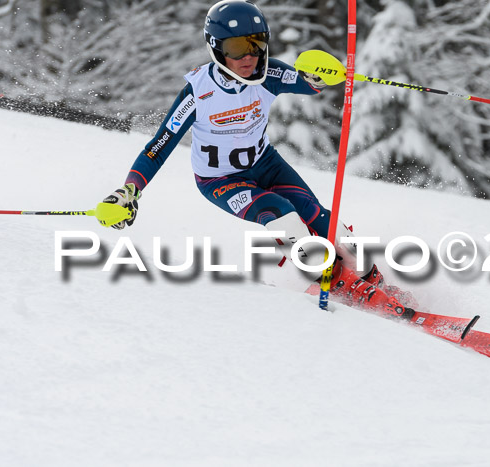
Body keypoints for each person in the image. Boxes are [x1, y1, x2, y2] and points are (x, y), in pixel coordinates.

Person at [102, 0, 414, 318]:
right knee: (284, 217)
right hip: (220, 180)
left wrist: (322, 77)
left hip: (266, 164)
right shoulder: (199, 92)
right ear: (216, 48)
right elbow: (158, 147)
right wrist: (130, 190)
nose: (249, 56)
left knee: (328, 225)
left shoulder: (268, 73)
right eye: (237, 47)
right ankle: (334, 281)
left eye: (256, 44)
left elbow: (307, 82)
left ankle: (375, 284)